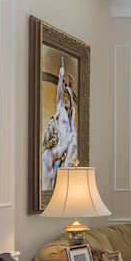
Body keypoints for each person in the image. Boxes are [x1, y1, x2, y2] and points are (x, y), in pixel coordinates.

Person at [41, 60, 78, 190]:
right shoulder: (60, 108)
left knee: (73, 138)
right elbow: (59, 92)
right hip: (57, 148)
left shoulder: (69, 120)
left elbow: (74, 134)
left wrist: (72, 118)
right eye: (65, 97)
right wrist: (61, 75)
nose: (66, 99)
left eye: (68, 97)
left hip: (62, 153)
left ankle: (67, 166)